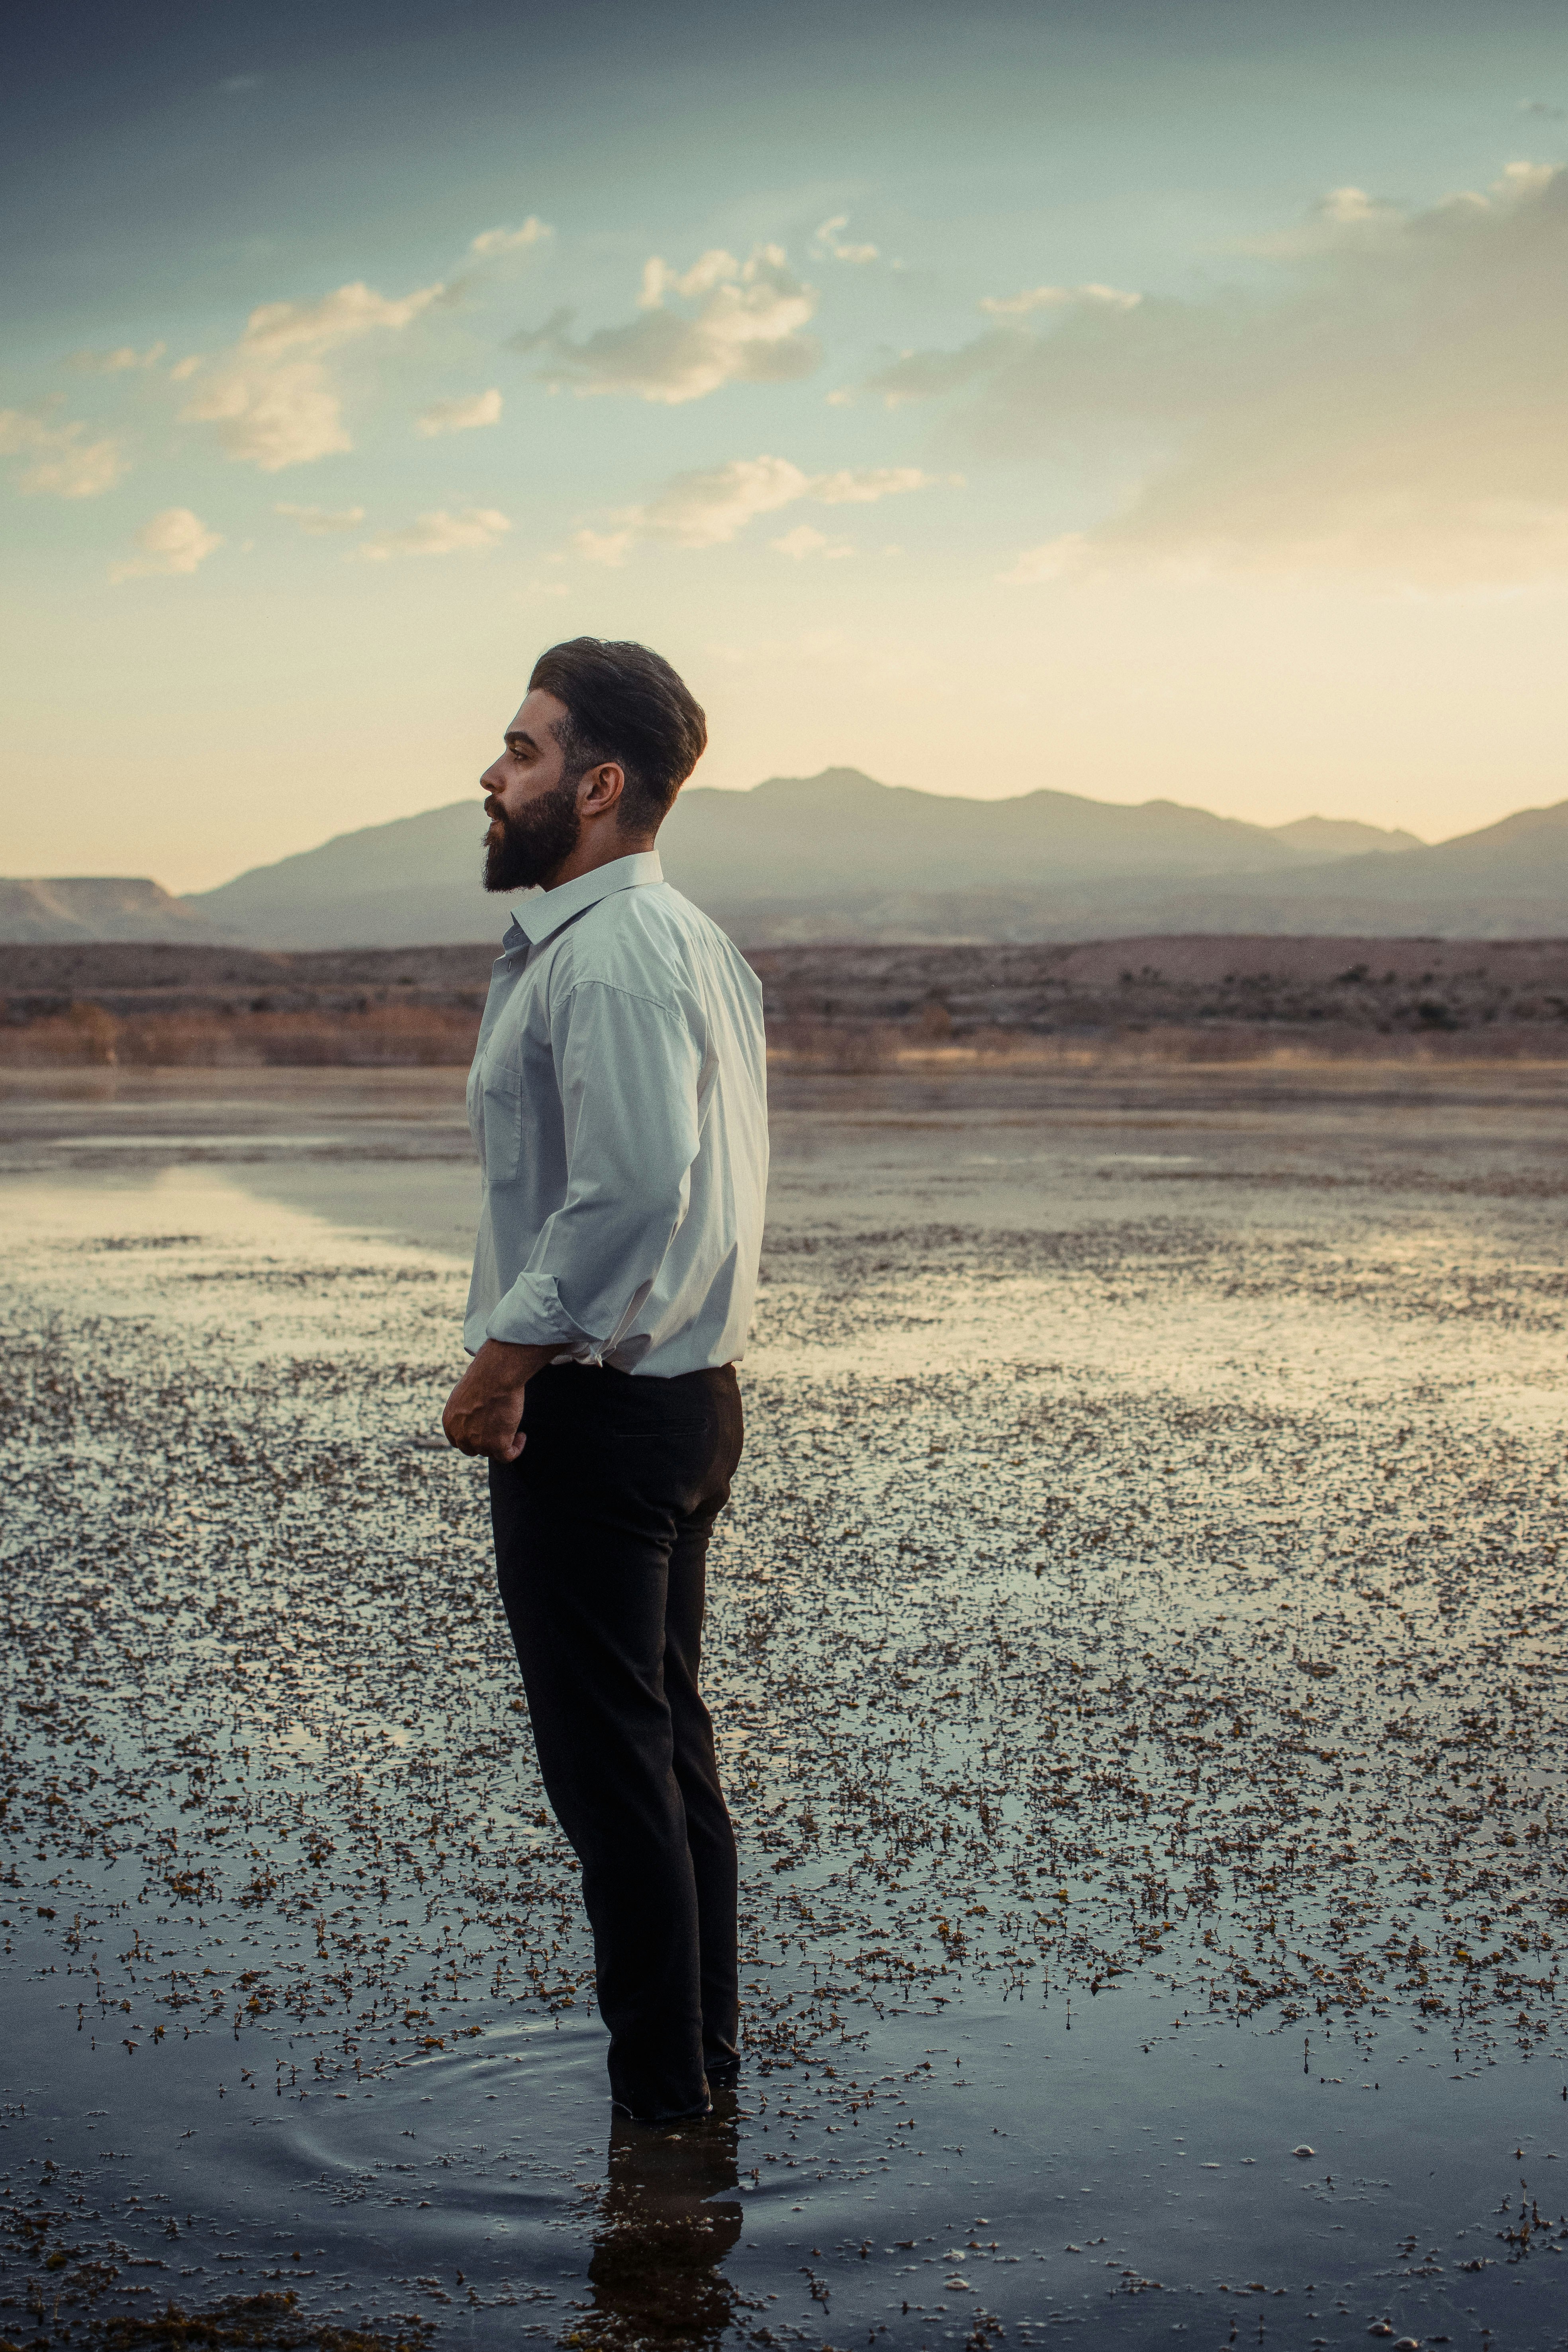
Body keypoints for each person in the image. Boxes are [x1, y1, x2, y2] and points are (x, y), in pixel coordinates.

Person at [441, 637, 769, 2125]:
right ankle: (694, 2079)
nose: (492, 774)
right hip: (685, 1403)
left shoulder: (620, 952)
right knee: (661, 1752)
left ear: (599, 782)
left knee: (612, 1777)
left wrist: (503, 1362)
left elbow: (634, 1189)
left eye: (519, 749)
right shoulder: (683, 941)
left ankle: (662, 2115)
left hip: (598, 1411)